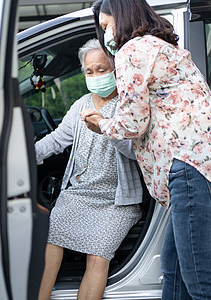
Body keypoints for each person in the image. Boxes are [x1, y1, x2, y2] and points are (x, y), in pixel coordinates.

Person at [80, 1, 211, 299]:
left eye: (107, 26)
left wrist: (101, 125)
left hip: (193, 170)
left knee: (202, 283)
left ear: (122, 18)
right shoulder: (161, 47)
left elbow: (133, 122)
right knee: (174, 273)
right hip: (209, 170)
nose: (106, 34)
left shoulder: (131, 50)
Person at [35, 38, 143, 300]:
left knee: (97, 256)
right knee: (51, 241)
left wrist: (105, 127)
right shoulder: (81, 104)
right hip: (79, 193)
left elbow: (136, 152)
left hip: (117, 200)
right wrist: (24, 156)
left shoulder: (129, 105)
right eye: (89, 71)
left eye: (102, 70)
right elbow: (57, 140)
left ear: (117, 69)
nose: (95, 76)